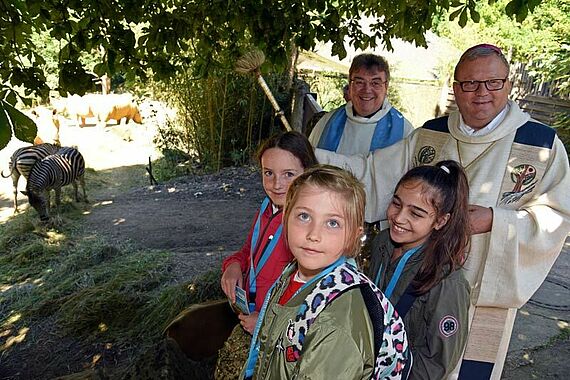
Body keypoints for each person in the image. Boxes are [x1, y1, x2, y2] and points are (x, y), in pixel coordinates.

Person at [315, 44, 570, 379]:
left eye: (493, 83)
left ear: (508, 85)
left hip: (480, 293)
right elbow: (373, 174)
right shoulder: (431, 134)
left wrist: (496, 220)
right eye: (469, 84)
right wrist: (310, 159)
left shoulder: (540, 144)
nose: (481, 93)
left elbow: (557, 216)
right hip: (416, 288)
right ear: (455, 87)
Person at [242, 165, 410, 380]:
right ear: (285, 219)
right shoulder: (293, 273)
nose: (314, 234)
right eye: (304, 216)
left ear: (353, 236)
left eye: (332, 223)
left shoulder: (336, 321)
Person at [368, 160, 471, 379]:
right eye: (396, 203)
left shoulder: (447, 282)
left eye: (416, 213)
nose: (399, 217)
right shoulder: (382, 243)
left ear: (441, 221)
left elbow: (438, 362)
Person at [221, 131, 318, 333]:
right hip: (252, 314)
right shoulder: (267, 207)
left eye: (289, 174)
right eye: (268, 173)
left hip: (278, 330)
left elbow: (309, 293)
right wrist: (234, 265)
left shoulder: (309, 224)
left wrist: (269, 322)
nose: (276, 184)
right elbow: (250, 250)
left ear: (308, 173)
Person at [308, 53, 413, 155]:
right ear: (350, 85)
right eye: (359, 82)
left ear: (386, 87)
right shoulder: (327, 123)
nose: (367, 90)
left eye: (375, 83)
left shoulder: (404, 131)